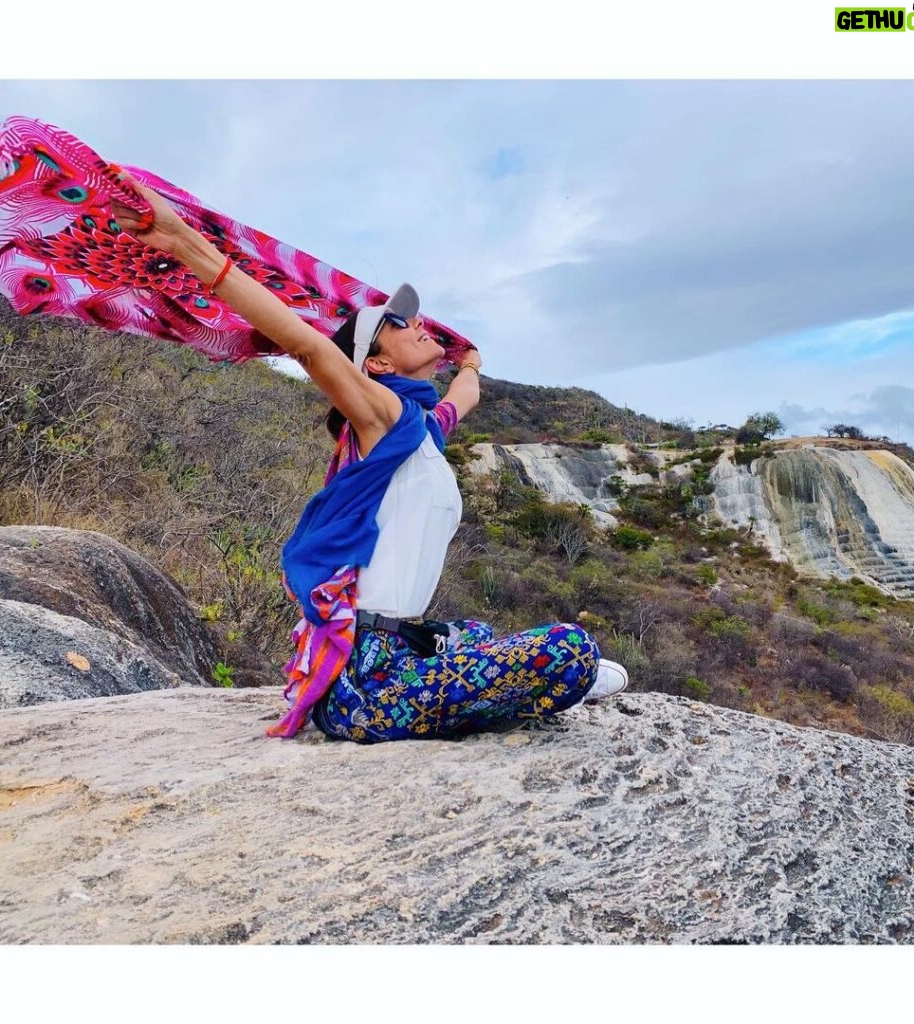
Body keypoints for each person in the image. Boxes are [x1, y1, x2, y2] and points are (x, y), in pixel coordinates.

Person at [111, 183, 629, 742]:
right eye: (398, 324)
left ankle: (535, 680)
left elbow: (465, 396)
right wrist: (183, 242)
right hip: (369, 682)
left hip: (402, 647)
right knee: (569, 648)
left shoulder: (420, 430)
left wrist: (470, 360)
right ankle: (554, 674)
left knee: (473, 633)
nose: (417, 322)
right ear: (374, 364)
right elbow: (307, 345)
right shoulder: (380, 418)